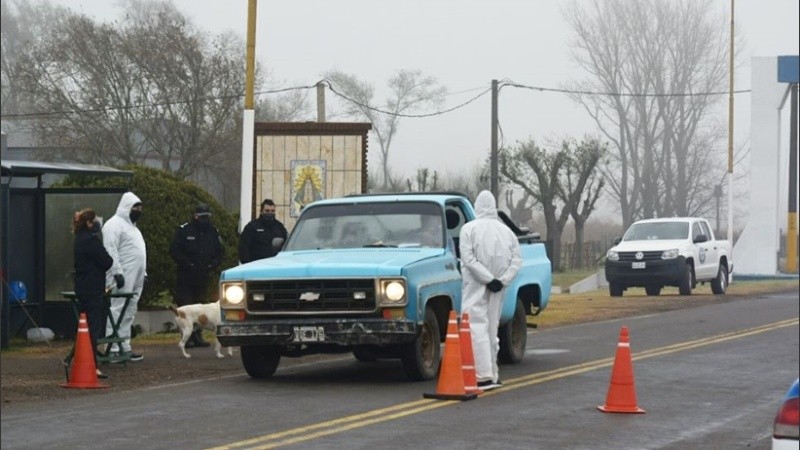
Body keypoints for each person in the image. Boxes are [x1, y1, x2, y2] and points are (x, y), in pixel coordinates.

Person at [459, 190, 522, 391]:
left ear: (477, 206)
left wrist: (487, 279)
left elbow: (468, 260)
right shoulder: (507, 232)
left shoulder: (469, 229)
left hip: (476, 286)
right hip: (497, 287)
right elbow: (516, 260)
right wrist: (501, 280)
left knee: (476, 328)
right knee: (492, 327)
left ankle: (482, 376)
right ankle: (493, 373)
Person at [169, 203, 224, 348]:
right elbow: (174, 250)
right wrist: (187, 263)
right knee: (186, 306)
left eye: (207, 217)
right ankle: (186, 337)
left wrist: (212, 265)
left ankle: (197, 337)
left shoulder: (212, 231)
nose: (205, 220)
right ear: (195, 216)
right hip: (186, 276)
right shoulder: (184, 230)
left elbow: (220, 252)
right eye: (202, 217)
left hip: (203, 275)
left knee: (200, 307)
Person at [103, 192, 147, 361]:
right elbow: (111, 250)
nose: (138, 210)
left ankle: (124, 345)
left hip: (135, 276)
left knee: (129, 311)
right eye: (136, 207)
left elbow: (138, 253)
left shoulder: (133, 228)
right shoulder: (113, 225)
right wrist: (117, 273)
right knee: (117, 309)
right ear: (126, 207)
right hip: (122, 276)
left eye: (140, 207)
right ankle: (112, 347)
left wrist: (143, 273)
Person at [72, 208, 114, 379]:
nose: (97, 223)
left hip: (82, 286)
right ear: (89, 223)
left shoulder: (79, 239)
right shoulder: (91, 240)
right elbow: (107, 261)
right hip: (93, 288)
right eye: (94, 220)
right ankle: (91, 365)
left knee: (85, 325)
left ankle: (84, 360)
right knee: (92, 327)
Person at [238, 199, 288, 263]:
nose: (270, 213)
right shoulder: (252, 227)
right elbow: (243, 248)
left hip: (275, 265)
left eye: (272, 211)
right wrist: (247, 264)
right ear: (261, 212)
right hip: (257, 265)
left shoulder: (279, 227)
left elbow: (286, 245)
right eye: (267, 211)